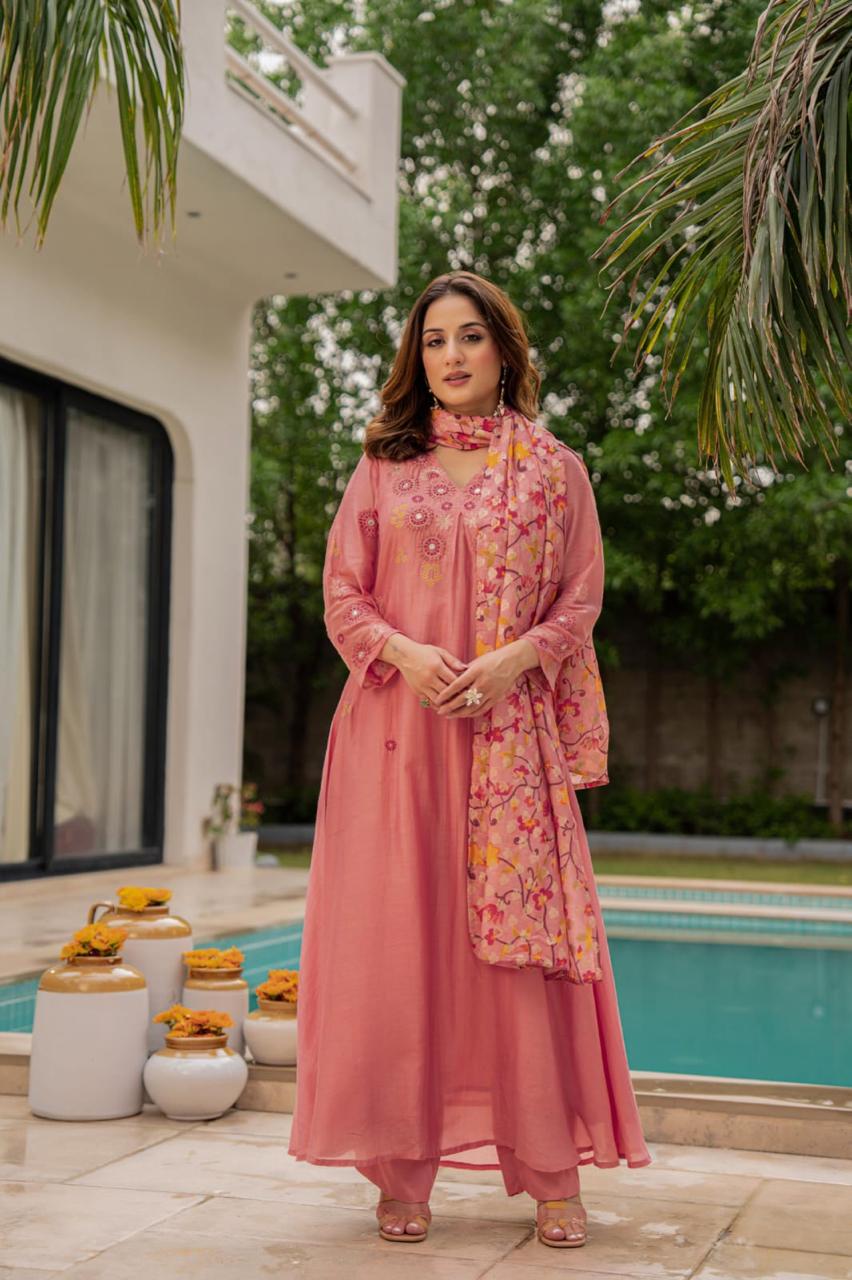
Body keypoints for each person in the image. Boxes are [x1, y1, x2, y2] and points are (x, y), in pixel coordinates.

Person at [287, 270, 651, 1248]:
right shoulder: (382, 468)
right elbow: (343, 595)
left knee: (519, 960)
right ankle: (401, 1163)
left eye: (470, 337)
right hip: (394, 743)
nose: (450, 355)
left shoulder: (552, 469)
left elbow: (579, 599)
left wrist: (511, 661)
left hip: (508, 744)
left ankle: (547, 1165)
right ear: (419, 360)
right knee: (398, 949)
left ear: (503, 350)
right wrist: (405, 651)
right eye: (434, 340)